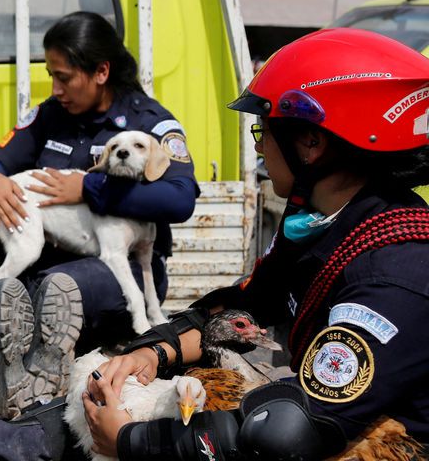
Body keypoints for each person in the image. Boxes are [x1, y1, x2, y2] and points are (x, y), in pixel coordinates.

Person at [85, 28, 429, 460]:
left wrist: (131, 440)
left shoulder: (395, 272)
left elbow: (288, 434)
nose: (260, 146)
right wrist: (156, 352)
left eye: (263, 131)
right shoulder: (321, 221)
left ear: (311, 142)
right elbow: (246, 306)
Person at [0, 11, 199, 351]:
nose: (56, 89)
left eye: (64, 78)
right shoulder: (50, 115)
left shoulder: (148, 122)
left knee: (59, 285)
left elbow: (180, 200)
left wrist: (89, 189)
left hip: (116, 269)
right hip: (41, 258)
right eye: (51, 77)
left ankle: (23, 346)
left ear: (102, 71)